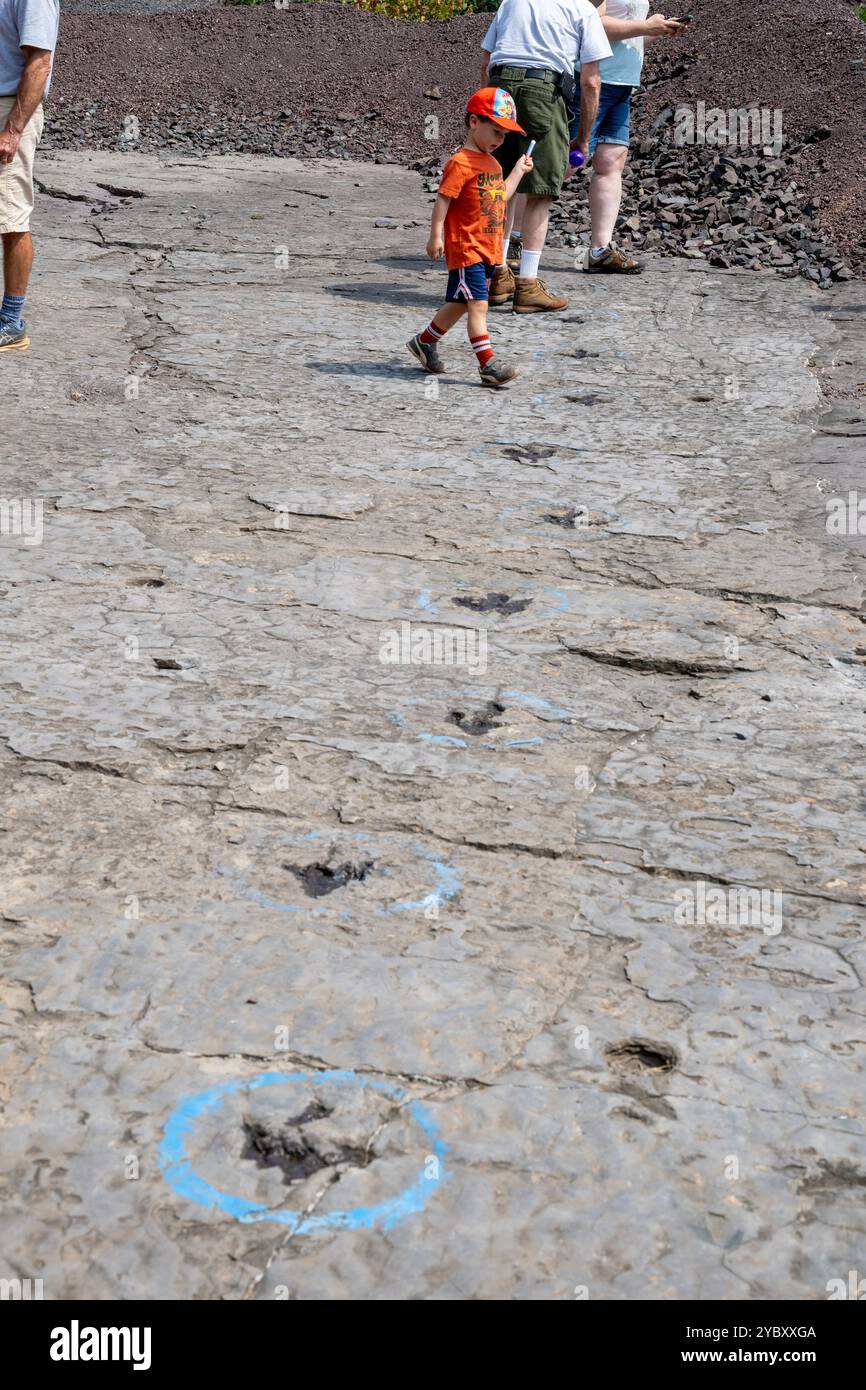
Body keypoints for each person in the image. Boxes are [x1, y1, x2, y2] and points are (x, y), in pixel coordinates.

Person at [480, 0, 612, 313]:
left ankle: (497, 275)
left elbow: (486, 61)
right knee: (539, 192)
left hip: (500, 86)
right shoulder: (582, 10)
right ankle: (527, 284)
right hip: (543, 91)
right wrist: (582, 139)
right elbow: (591, 81)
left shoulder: (511, 1)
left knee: (503, 184)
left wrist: (487, 114)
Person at [408, 87, 533, 389]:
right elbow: (444, 199)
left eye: (505, 135)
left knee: (461, 303)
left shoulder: (492, 164)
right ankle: (487, 364)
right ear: (474, 122)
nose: (500, 139)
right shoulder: (460, 163)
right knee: (478, 305)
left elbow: (500, 196)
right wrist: (435, 235)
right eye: (496, 131)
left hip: (488, 250)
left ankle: (424, 342)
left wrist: (517, 171)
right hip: (467, 248)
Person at [572, 2, 686, 273]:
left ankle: (600, 250)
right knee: (565, 161)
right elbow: (594, 25)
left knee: (611, 162)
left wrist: (657, 31)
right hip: (594, 79)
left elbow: (627, 35)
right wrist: (646, 25)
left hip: (622, 83)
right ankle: (512, 236)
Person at [0, 0, 58, 352]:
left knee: (10, 218)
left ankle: (11, 322)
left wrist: (13, 129)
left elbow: (40, 62)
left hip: (8, 109)